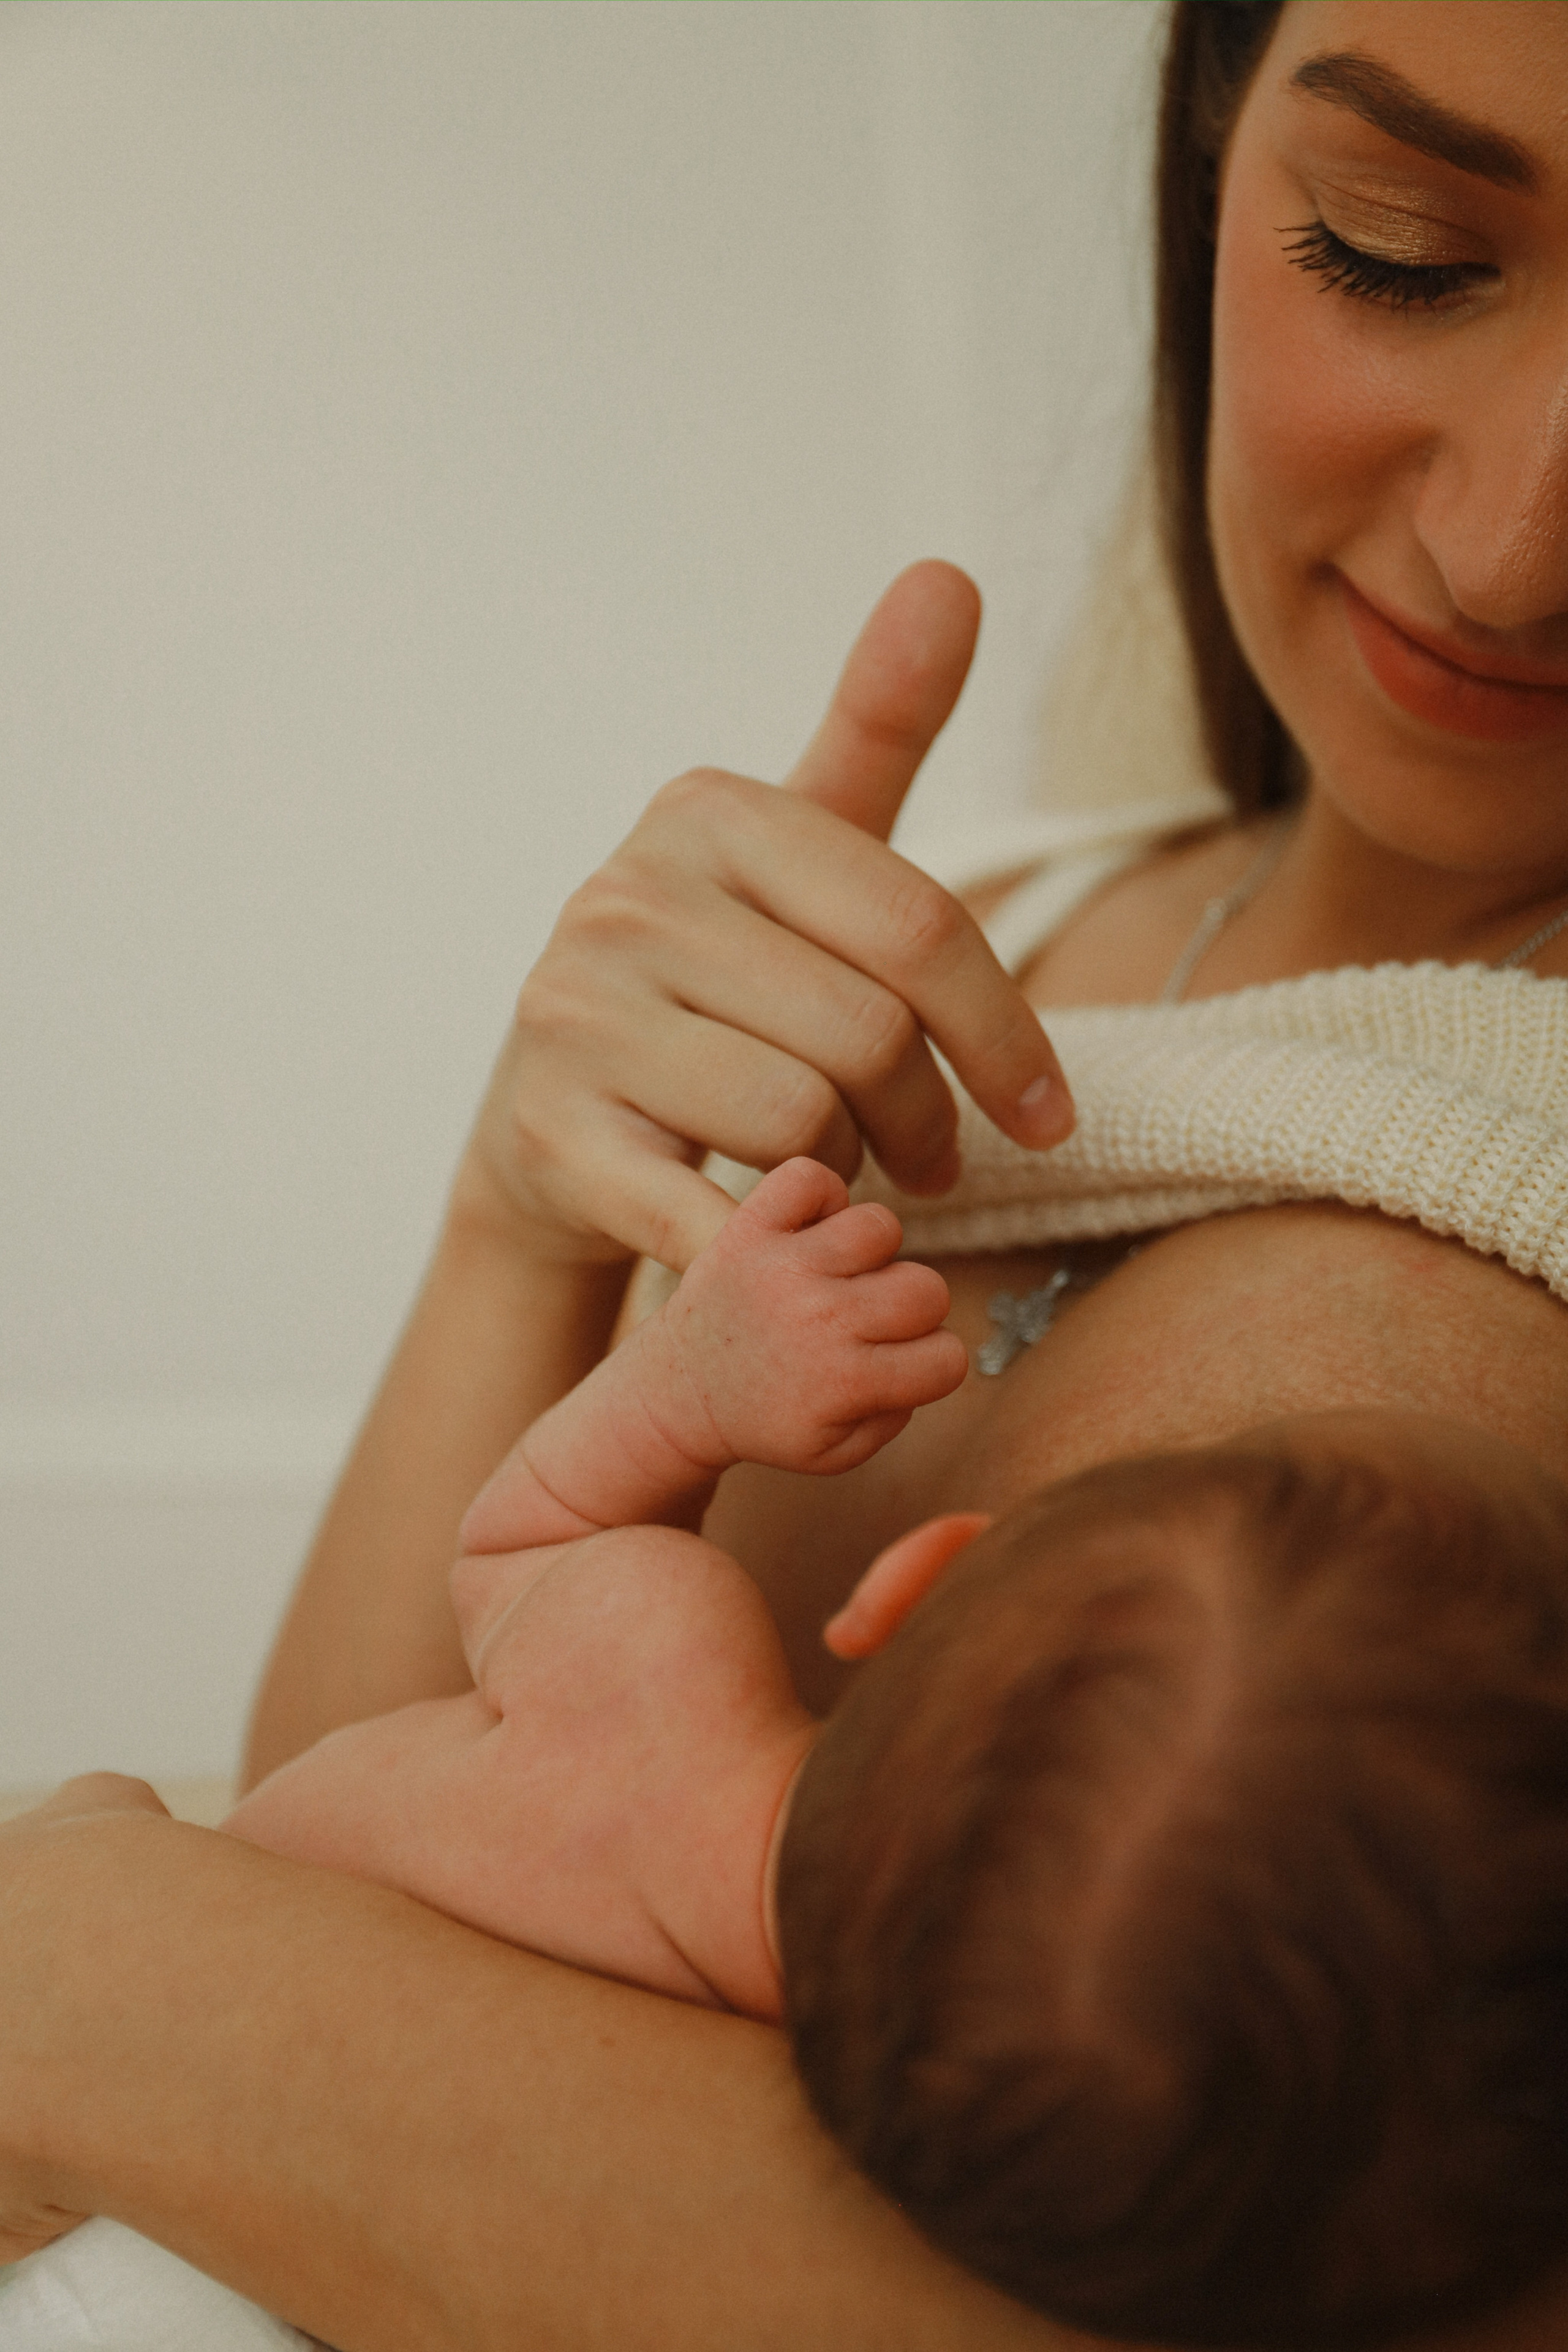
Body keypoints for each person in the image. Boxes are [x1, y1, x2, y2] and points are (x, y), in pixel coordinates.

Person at [5, 4, 1568, 2346]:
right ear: (1213, 168)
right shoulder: (1007, 909)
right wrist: (517, 1229)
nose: (1508, 541)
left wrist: (94, 1984)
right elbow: (372, 1769)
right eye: (1399, 251)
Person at [17, 1158, 1568, 2351]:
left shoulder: (656, 1694)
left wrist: (699, 1383)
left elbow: (519, 1538)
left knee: (99, 1818)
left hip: (146, 2246)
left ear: (910, 1587)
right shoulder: (990, 2096)